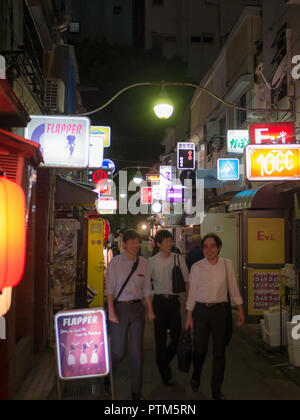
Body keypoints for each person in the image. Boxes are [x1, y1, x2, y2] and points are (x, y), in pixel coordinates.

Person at [185, 233, 245, 400]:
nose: (209, 249)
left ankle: (216, 390)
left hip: (220, 311)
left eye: (212, 246)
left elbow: (233, 288)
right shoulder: (197, 267)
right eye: (205, 246)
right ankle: (196, 376)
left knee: (219, 352)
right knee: (201, 349)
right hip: (201, 312)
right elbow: (192, 293)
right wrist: (189, 316)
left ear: (218, 248)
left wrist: (240, 310)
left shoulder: (227, 265)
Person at [105, 229, 155, 400]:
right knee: (119, 351)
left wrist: (150, 309)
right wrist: (111, 311)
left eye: (137, 242)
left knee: (137, 352)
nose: (136, 245)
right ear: (124, 244)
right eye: (132, 242)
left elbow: (147, 288)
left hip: (137, 309)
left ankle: (136, 391)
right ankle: (108, 374)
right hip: (119, 308)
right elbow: (109, 289)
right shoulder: (115, 263)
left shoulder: (144, 264)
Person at [148, 229, 189, 386]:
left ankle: (163, 361)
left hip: (174, 301)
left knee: (177, 334)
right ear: (158, 244)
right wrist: (150, 307)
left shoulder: (178, 259)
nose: (169, 243)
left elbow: (187, 280)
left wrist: (187, 300)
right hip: (159, 301)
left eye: (170, 241)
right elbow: (146, 284)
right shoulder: (151, 262)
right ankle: (165, 374)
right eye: (166, 241)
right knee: (159, 338)